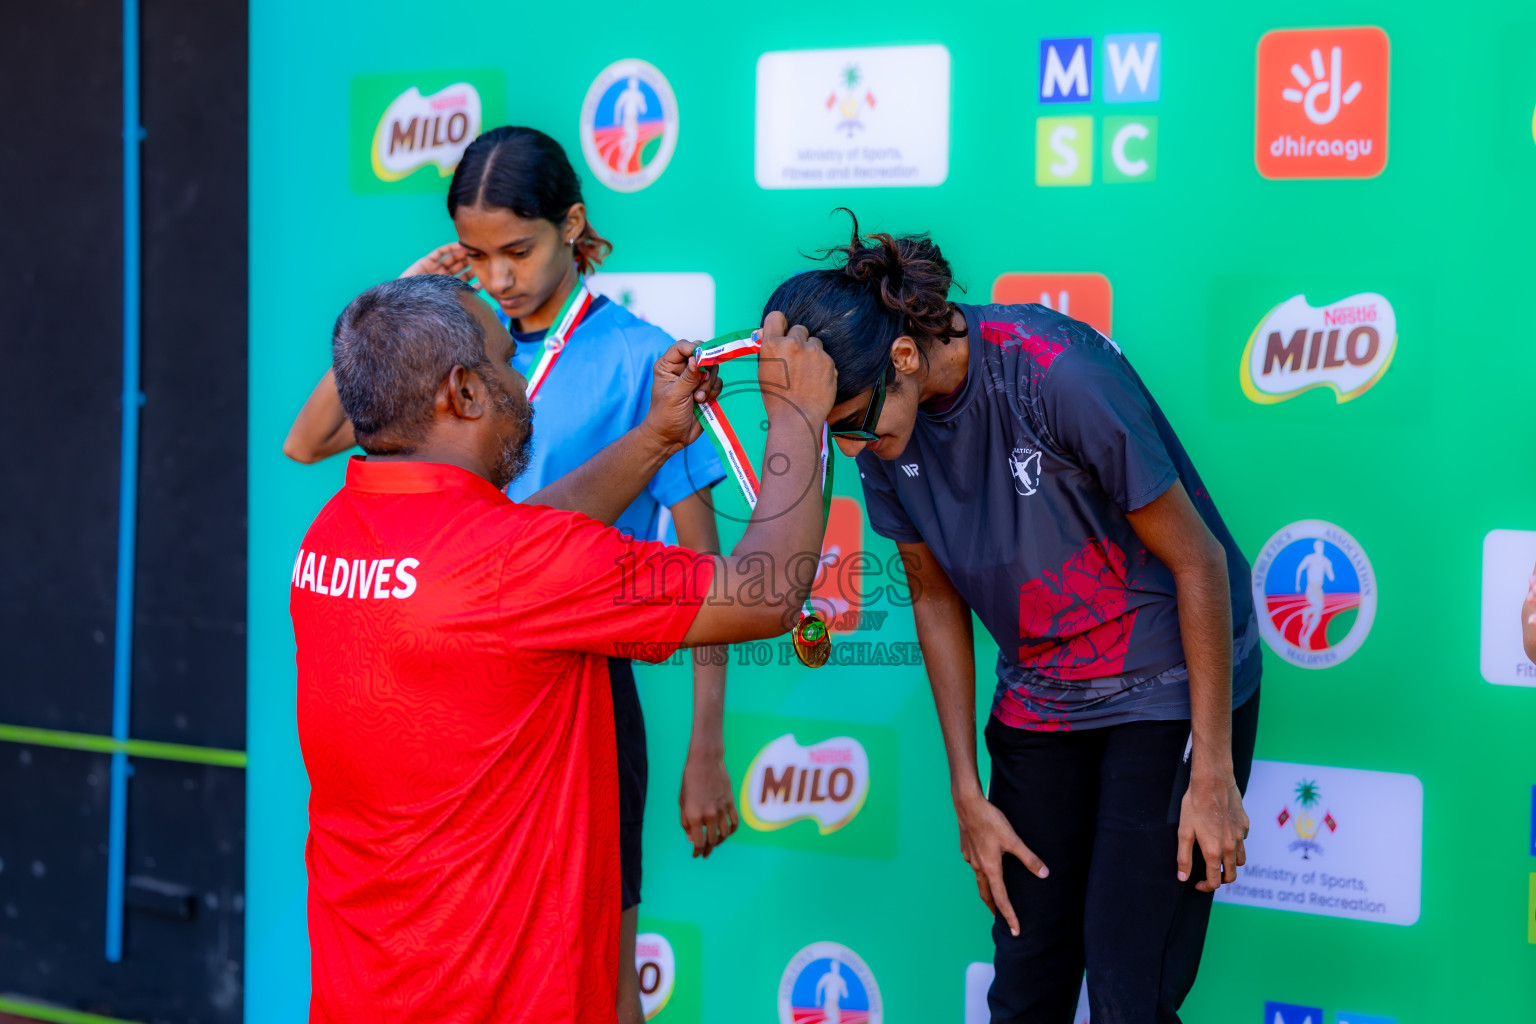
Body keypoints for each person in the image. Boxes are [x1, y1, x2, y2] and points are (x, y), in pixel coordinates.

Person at [282, 126, 736, 1023]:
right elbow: (308, 442)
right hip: (445, 685)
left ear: (573, 224)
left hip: (575, 685)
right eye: (478, 255)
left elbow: (700, 563)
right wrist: (408, 296)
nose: (498, 277)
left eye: (518, 250)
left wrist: (707, 745)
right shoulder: (452, 339)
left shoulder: (640, 355)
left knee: (595, 967)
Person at [291, 273, 835, 1021]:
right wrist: (800, 420)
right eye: (506, 357)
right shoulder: (517, 567)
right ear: (465, 393)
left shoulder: (335, 533)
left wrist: (653, 440)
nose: (523, 375)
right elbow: (768, 592)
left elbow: (518, 538)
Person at [763, 213, 1261, 1024]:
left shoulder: (1057, 374)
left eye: (851, 423)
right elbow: (932, 595)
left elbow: (1198, 562)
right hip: (1040, 692)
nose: (849, 451)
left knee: (1129, 991)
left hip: (1172, 682)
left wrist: (1212, 772)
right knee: (1025, 979)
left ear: (902, 356)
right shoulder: (885, 435)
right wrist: (966, 786)